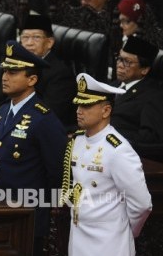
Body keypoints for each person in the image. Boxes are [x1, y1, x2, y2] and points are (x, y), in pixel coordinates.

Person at [0, 40, 66, 255]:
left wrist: (46, 215)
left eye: (13, 72)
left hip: (27, 217)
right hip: (0, 210)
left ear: (32, 79)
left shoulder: (43, 119)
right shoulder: (3, 110)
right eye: (5, 70)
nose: (5, 77)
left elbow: (56, 172)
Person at [62, 72, 152, 256]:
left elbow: (142, 204)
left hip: (109, 242)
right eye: (78, 104)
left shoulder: (118, 150)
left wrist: (124, 229)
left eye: (86, 105)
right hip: (78, 236)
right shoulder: (78, 140)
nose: (79, 110)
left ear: (106, 111)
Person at [20, 14, 76, 129]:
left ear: (49, 42)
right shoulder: (14, 63)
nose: (29, 43)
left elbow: (48, 113)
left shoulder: (61, 74)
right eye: (25, 38)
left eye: (36, 37)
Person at [111, 36, 163, 145]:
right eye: (119, 58)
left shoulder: (153, 96)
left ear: (144, 70)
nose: (120, 65)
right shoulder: (110, 86)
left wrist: (107, 133)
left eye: (127, 62)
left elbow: (148, 138)